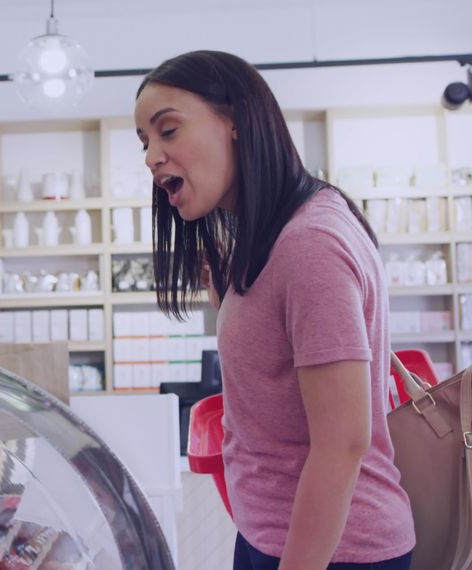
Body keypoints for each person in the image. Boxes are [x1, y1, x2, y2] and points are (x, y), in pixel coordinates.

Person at [134, 51, 415, 570]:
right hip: (276, 535)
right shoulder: (271, 236)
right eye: (145, 142)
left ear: (237, 120)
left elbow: (342, 443)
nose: (151, 156)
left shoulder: (310, 244)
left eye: (168, 131)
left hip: (332, 551)